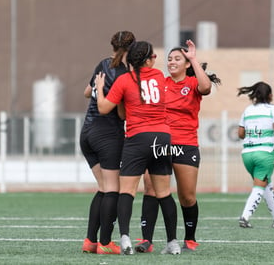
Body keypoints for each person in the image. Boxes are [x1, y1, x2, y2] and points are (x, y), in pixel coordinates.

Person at [135, 39, 221, 253]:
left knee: (187, 195)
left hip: (185, 144)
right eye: (170, 59)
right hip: (160, 143)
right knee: (151, 187)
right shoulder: (160, 82)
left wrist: (194, 58)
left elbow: (206, 87)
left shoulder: (192, 83)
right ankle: (147, 240)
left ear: (187, 64)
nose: (171, 62)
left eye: (177, 59)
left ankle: (190, 237)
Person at [95, 40, 181, 255]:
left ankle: (125, 239)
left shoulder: (125, 79)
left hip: (137, 138)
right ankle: (173, 242)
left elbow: (105, 108)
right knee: (164, 193)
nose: (156, 59)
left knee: (127, 191)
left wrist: (99, 89)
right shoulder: (160, 77)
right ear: (148, 59)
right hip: (162, 137)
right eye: (153, 56)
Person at [80, 31, 135, 254]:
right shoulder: (124, 75)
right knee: (113, 188)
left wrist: (100, 89)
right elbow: (121, 114)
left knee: (103, 188)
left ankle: (90, 241)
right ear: (131, 50)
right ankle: (105, 243)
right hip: (108, 134)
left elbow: (86, 93)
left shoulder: (102, 64)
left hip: (87, 132)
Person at [237, 81, 274, 228]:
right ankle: (245, 217)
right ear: (270, 95)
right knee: (259, 187)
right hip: (264, 154)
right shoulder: (273, 110)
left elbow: (240, 133)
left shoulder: (247, 111)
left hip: (247, 154)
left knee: (266, 184)